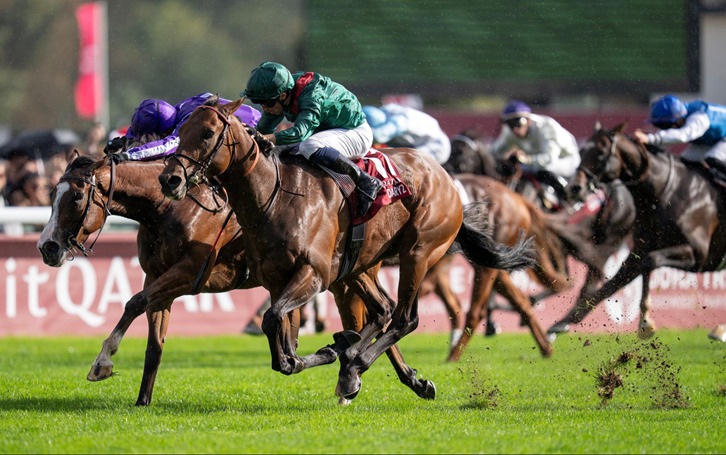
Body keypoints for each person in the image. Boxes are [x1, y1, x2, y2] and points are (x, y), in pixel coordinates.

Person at [241, 61, 382, 218]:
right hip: (329, 133)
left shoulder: (311, 94)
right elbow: (263, 131)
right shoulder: (282, 92)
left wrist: (266, 138)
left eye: (266, 102)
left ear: (282, 95)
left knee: (309, 146)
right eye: (258, 102)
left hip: (355, 133)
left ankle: (365, 180)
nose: (264, 108)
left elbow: (300, 133)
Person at [106, 92, 262, 161]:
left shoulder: (188, 121)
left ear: (164, 130)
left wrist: (127, 156)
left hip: (252, 130)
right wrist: (123, 141)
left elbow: (166, 146)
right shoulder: (173, 110)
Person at [491, 100, 581, 207]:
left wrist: (526, 160)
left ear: (528, 120)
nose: (515, 129)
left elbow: (549, 159)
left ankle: (571, 200)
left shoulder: (546, 127)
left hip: (567, 161)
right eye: (510, 124)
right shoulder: (510, 132)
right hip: (536, 164)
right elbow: (492, 152)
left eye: (518, 122)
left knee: (545, 169)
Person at [633, 94, 726, 178]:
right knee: (684, 162)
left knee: (713, 159)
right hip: (716, 139)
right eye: (659, 126)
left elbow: (683, 135)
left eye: (663, 126)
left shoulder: (699, 119)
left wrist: (651, 138)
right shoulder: (681, 115)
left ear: (678, 121)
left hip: (721, 138)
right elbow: (669, 136)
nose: (663, 129)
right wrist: (650, 138)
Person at [362, 104, 451, 164]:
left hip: (437, 147)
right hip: (415, 143)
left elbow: (379, 136)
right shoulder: (385, 111)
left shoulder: (399, 120)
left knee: (399, 163)